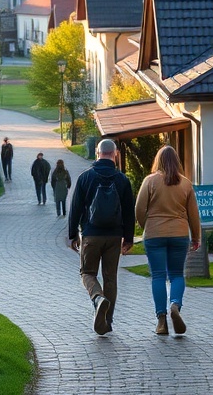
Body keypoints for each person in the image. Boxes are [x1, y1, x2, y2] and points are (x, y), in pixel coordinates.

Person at [67, 138, 135, 335]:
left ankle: (98, 299)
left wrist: (73, 235)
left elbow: (75, 208)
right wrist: (128, 238)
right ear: (115, 154)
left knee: (87, 273)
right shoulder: (122, 179)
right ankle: (107, 320)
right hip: (114, 236)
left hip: (91, 234)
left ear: (97, 153)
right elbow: (129, 211)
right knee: (110, 278)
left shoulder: (86, 177)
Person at [135, 145, 202, 336]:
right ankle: (175, 305)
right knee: (176, 274)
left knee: (158, 275)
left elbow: (139, 209)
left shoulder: (150, 181)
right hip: (179, 234)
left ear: (159, 161)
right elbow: (193, 214)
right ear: (176, 162)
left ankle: (161, 321)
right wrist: (195, 236)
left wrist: (145, 225)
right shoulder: (186, 184)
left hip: (154, 233)